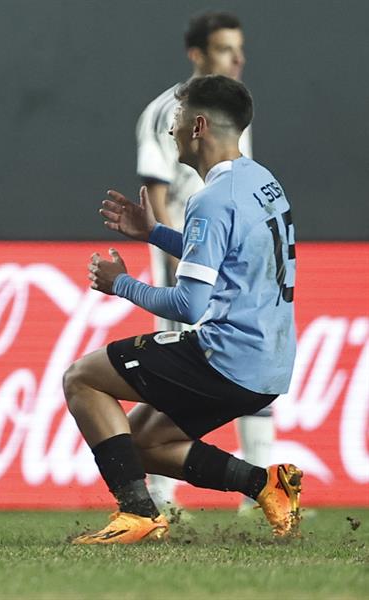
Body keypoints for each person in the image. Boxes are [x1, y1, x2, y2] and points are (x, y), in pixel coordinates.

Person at [64, 75, 300, 544]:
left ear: (198, 126)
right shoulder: (262, 181)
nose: (170, 129)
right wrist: (154, 233)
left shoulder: (211, 199)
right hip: (271, 364)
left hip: (226, 358)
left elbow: (190, 305)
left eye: (175, 119)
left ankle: (137, 514)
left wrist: (120, 284)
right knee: (137, 445)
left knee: (82, 379)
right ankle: (266, 484)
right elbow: (226, 255)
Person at [135, 12, 272, 513]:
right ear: (197, 54)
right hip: (191, 262)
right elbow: (156, 198)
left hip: (232, 263)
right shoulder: (164, 113)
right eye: (224, 49)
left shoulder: (231, 112)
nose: (237, 58)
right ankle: (161, 494)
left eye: (239, 48)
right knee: (174, 371)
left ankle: (262, 488)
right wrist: (188, 264)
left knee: (252, 356)